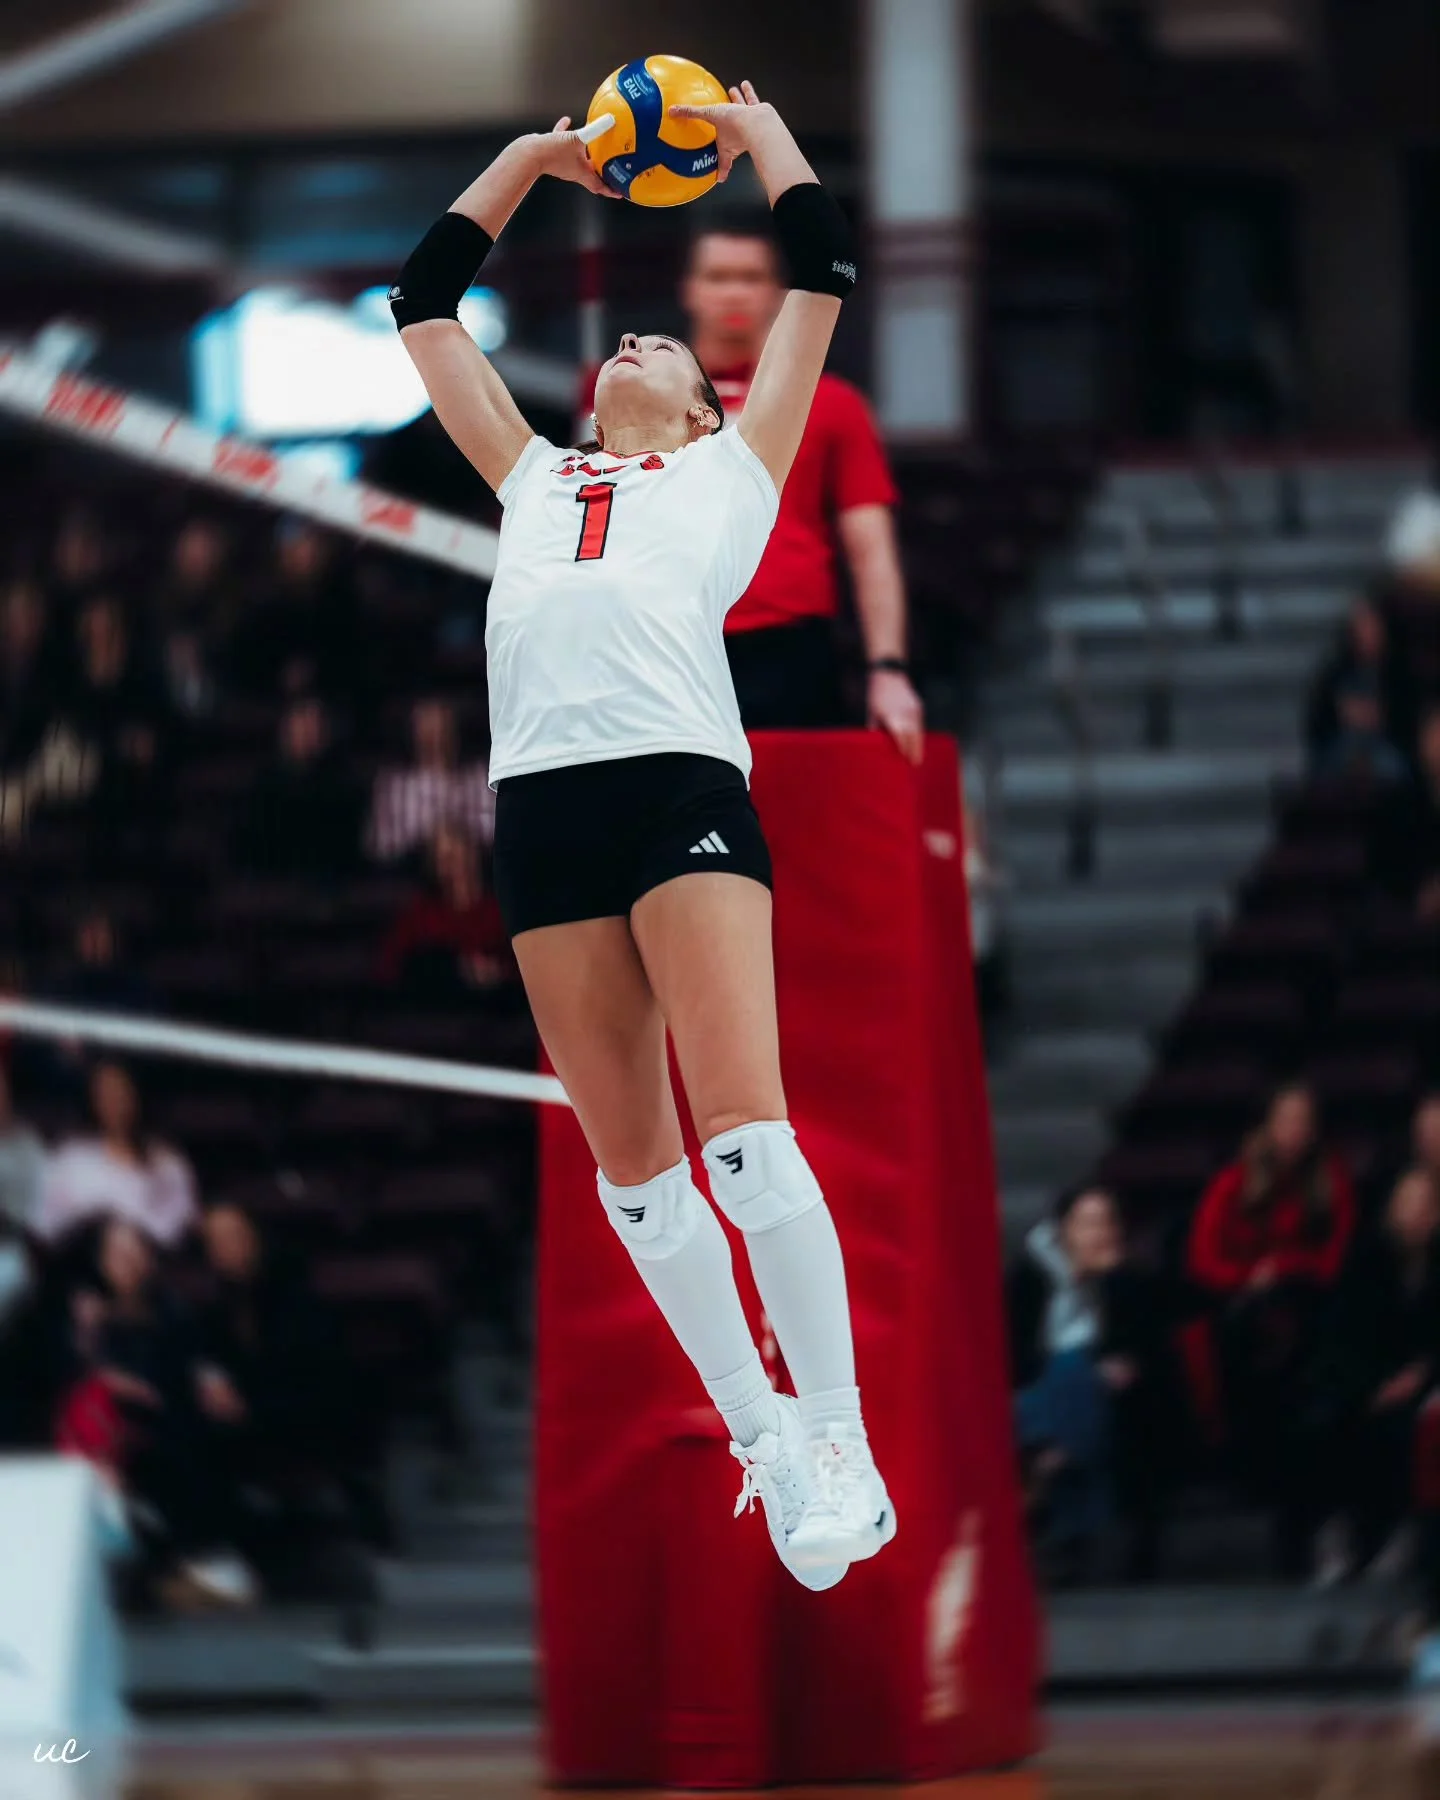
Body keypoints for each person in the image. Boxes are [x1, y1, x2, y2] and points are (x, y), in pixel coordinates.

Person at [392, 83, 892, 1588]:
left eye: (659, 344)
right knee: (637, 1182)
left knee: (745, 1147)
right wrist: (536, 163)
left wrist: (765, 132)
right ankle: (761, 1431)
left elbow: (821, 272)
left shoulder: (735, 472)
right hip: (543, 809)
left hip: (679, 788)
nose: (631, 344)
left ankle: (844, 1440)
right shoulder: (536, 478)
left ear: (701, 398)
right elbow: (422, 307)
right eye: (619, 341)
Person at [676, 209, 924, 756]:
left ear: (776, 292)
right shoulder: (636, 400)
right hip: (670, 643)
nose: (734, 293)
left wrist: (888, 668)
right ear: (691, 290)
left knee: (797, 827)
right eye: (718, 277)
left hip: (790, 646)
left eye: (751, 277)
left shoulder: (834, 405)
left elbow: (872, 549)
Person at [1188, 1081, 1356, 1576]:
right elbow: (1203, 1260)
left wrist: (1285, 1265)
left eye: (1303, 1121)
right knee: (1249, 1338)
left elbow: (1334, 1259)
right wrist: (1251, 1276)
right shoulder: (1233, 1182)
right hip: (1244, 1311)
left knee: (1303, 1352)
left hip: (1307, 1305)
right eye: (1285, 1120)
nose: (1294, 1131)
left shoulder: (1331, 1181)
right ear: (1266, 1126)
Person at [56, 1215, 256, 1607]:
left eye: (137, 1250)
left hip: (169, 1422)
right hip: (106, 1439)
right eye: (117, 1252)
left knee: (199, 1440)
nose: (128, 1261)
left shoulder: (172, 1310)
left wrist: (211, 1379)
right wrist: (96, 1360)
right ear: (99, 1261)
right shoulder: (81, 1314)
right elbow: (61, 1379)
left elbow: (197, 1359)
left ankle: (185, 1564)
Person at [1008, 1187, 1176, 1583]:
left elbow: (1144, 1351)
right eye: (1088, 1224)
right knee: (1072, 1369)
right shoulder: (1030, 1278)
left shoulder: (1126, 1282)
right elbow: (1015, 1357)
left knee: (1086, 1380)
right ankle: (1058, 1486)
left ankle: (1049, 1467)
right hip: (1035, 1395)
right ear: (1064, 1230)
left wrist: (1112, 1282)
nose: (1100, 1234)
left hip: (1097, 1403)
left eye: (1106, 1223)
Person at [1309, 1167, 1440, 1586]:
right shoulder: (1365, 1259)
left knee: (1411, 1429)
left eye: (1427, 1206)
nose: (1418, 1215)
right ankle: (1338, 1536)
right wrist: (1374, 1386)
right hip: (1367, 1379)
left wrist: (1418, 1375)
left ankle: (1404, 1537)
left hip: (1423, 1381)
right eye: (1410, 1204)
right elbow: (1346, 1334)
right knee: (1331, 1420)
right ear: (1392, 1210)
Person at [38, 1059, 198, 1248]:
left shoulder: (167, 1160)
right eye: (105, 1092)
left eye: (121, 1090)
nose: (115, 1100)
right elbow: (48, 1229)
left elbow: (182, 1226)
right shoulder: (69, 1158)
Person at [237, 694, 363, 882]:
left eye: (316, 724)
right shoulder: (264, 784)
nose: (310, 731)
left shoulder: (344, 783)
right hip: (273, 882)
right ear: (286, 730)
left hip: (328, 882)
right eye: (303, 722)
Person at [379, 823, 513, 997]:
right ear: (433, 866)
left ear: (473, 857)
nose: (454, 867)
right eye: (444, 860)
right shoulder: (419, 915)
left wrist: (498, 973)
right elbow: (387, 970)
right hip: (437, 1013)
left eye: (458, 857)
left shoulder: (502, 911)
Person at [366, 696, 495, 865]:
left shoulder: (479, 776)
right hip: (412, 878)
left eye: (442, 726)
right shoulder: (394, 785)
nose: (436, 735)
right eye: (427, 728)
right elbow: (382, 846)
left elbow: (496, 832)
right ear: (413, 733)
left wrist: (459, 838)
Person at [1304, 596, 1408, 781]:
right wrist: (1341, 713)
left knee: (1390, 768)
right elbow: (1317, 722)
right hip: (1342, 746)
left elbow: (1407, 717)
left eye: (1373, 628)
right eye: (1362, 628)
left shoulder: (1397, 672)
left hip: (1385, 746)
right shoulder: (1335, 673)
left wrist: (1380, 715)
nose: (1368, 635)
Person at [1371, 705, 1440, 923]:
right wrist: (1418, 895)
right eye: (1434, 733)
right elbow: (1384, 867)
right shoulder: (1398, 806)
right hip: (1410, 919)